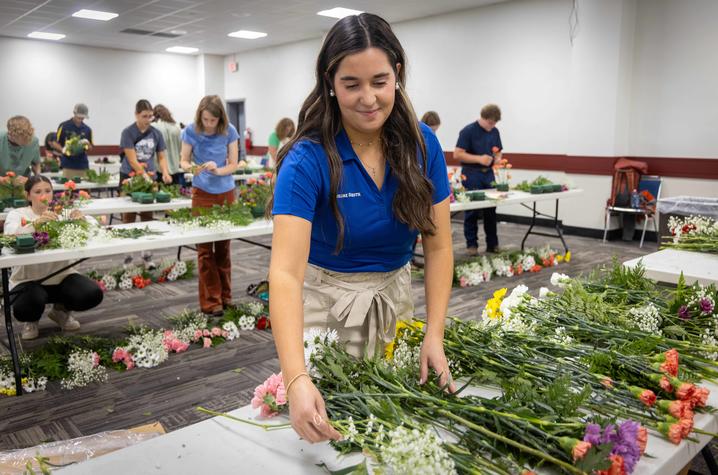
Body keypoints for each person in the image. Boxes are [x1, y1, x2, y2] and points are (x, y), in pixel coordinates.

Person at [269, 13, 455, 444]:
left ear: (398, 76)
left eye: (379, 81)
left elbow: (440, 248)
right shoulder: (307, 159)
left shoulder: (422, 144)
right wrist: (296, 378)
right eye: (351, 84)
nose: (368, 98)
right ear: (330, 83)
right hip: (323, 308)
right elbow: (285, 274)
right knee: (329, 435)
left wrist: (435, 334)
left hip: (394, 301)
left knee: (394, 423)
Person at [4, 175, 104, 340]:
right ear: (28, 195)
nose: (44, 195)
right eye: (37, 191)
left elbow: (95, 226)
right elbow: (9, 235)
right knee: (27, 305)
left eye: (48, 191)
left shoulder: (63, 213)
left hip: (63, 277)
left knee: (92, 294)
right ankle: (31, 320)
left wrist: (82, 219)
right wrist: (34, 225)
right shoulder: (18, 214)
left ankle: (60, 312)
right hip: (28, 279)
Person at [180, 95, 240, 317]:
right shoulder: (190, 131)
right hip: (202, 194)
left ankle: (226, 297)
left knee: (224, 249)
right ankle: (211, 301)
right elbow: (183, 160)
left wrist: (218, 170)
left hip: (225, 192)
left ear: (220, 118)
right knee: (205, 251)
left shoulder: (230, 131)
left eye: (213, 120)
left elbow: (233, 164)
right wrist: (192, 168)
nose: (209, 124)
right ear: (200, 116)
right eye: (205, 119)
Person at [454, 104, 503, 255]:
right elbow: (457, 154)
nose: (492, 126)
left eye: (495, 123)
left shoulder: (495, 131)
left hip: (488, 174)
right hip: (471, 173)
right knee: (472, 211)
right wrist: (479, 159)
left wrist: (496, 159)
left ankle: (492, 244)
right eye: (490, 123)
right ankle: (472, 245)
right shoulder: (468, 131)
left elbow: (499, 152)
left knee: (491, 210)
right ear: (483, 118)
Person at [54, 103, 93, 178]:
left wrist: (87, 144)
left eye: (83, 118)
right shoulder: (64, 126)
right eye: (79, 117)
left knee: (84, 188)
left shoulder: (87, 129)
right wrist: (63, 150)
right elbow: (55, 143)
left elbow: (90, 148)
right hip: (68, 165)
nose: (81, 119)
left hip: (83, 165)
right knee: (69, 187)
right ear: (74, 113)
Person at [0, 116, 41, 183]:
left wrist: (37, 178)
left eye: (29, 137)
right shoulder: (1, 139)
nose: (27, 140)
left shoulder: (34, 141)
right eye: (24, 138)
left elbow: (36, 164)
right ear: (11, 134)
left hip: (22, 182)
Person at [152, 104, 185, 186]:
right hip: (175, 170)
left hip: (159, 171)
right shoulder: (177, 127)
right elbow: (181, 149)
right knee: (175, 197)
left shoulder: (153, 127)